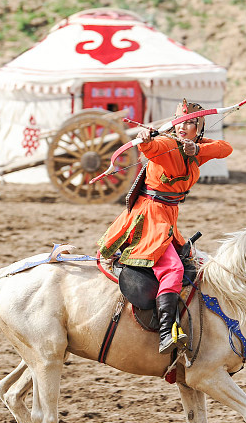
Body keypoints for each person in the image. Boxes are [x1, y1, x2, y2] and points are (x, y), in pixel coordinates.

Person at [98, 99, 233, 353]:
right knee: (172, 268)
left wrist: (197, 150)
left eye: (191, 123)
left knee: (193, 263)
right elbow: (151, 147)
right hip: (149, 217)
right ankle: (165, 332)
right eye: (180, 122)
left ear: (199, 130)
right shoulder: (167, 144)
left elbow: (226, 148)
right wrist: (146, 139)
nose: (183, 128)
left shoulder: (194, 151)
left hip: (168, 218)